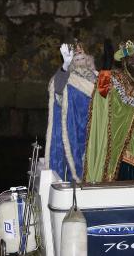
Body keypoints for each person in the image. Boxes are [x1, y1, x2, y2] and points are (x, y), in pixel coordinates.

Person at [83, 40, 134, 182]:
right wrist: (106, 67)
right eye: (131, 58)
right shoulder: (116, 78)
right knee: (123, 182)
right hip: (122, 142)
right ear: (124, 61)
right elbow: (102, 92)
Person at [45, 43, 97, 182]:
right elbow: (57, 89)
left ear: (88, 60)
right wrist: (65, 66)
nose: (80, 62)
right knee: (75, 157)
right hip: (74, 126)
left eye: (82, 58)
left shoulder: (98, 77)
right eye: (76, 59)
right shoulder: (69, 78)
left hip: (95, 125)